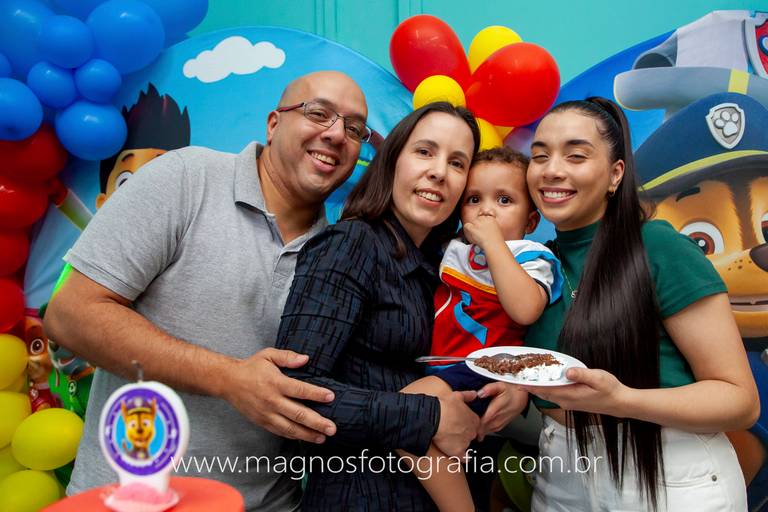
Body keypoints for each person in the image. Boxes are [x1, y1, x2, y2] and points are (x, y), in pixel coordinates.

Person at [43, 70, 369, 511]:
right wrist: (229, 378)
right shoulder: (185, 178)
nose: (336, 134)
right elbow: (70, 315)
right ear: (274, 124)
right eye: (318, 113)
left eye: (354, 128)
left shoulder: (340, 251)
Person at [275, 102, 523, 511]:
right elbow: (293, 394)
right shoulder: (350, 245)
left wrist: (515, 389)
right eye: (425, 151)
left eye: (457, 163)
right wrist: (425, 416)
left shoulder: (446, 268)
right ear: (392, 161)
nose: (439, 172)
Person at [518, 97, 759, 511]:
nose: (551, 169)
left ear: (615, 174)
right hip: (561, 475)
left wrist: (621, 400)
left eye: (575, 155)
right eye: (540, 156)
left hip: (669, 478)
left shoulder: (659, 247)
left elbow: (740, 402)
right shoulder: (535, 269)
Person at [398, 146, 563, 511]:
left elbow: (525, 309)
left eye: (504, 200)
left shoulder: (530, 256)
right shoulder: (455, 249)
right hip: (442, 367)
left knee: (404, 413)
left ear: (531, 221)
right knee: (428, 438)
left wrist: (493, 243)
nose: (486, 210)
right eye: (474, 199)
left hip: (486, 369)